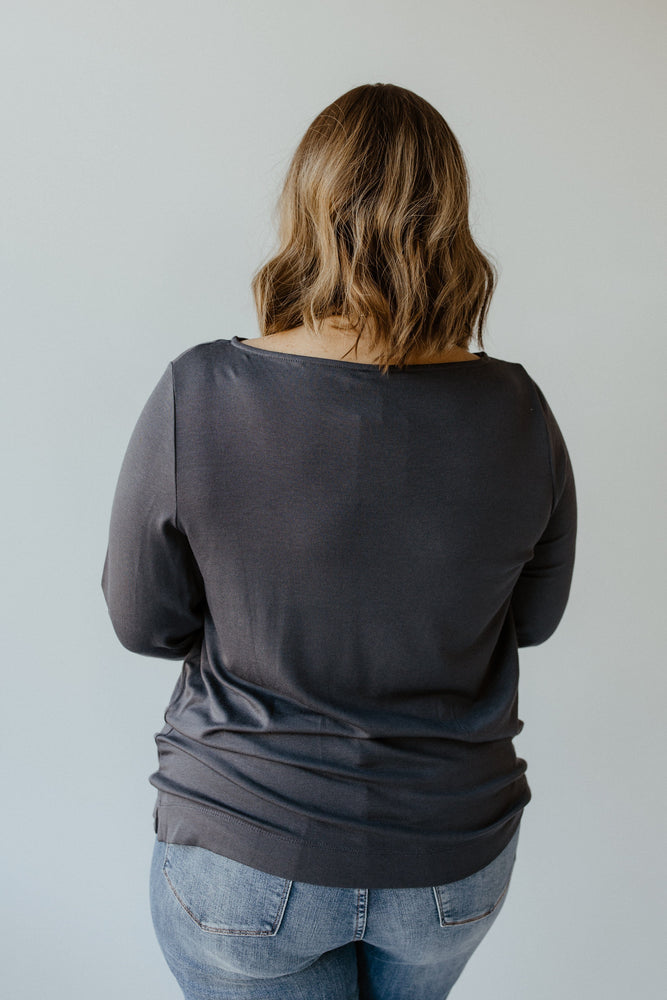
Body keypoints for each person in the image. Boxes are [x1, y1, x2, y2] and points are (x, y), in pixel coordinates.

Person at [101, 83, 577, 1000]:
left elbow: (142, 621)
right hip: (447, 861)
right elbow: (535, 619)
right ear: (451, 219)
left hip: (245, 847)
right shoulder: (519, 411)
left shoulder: (198, 393)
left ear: (307, 208)